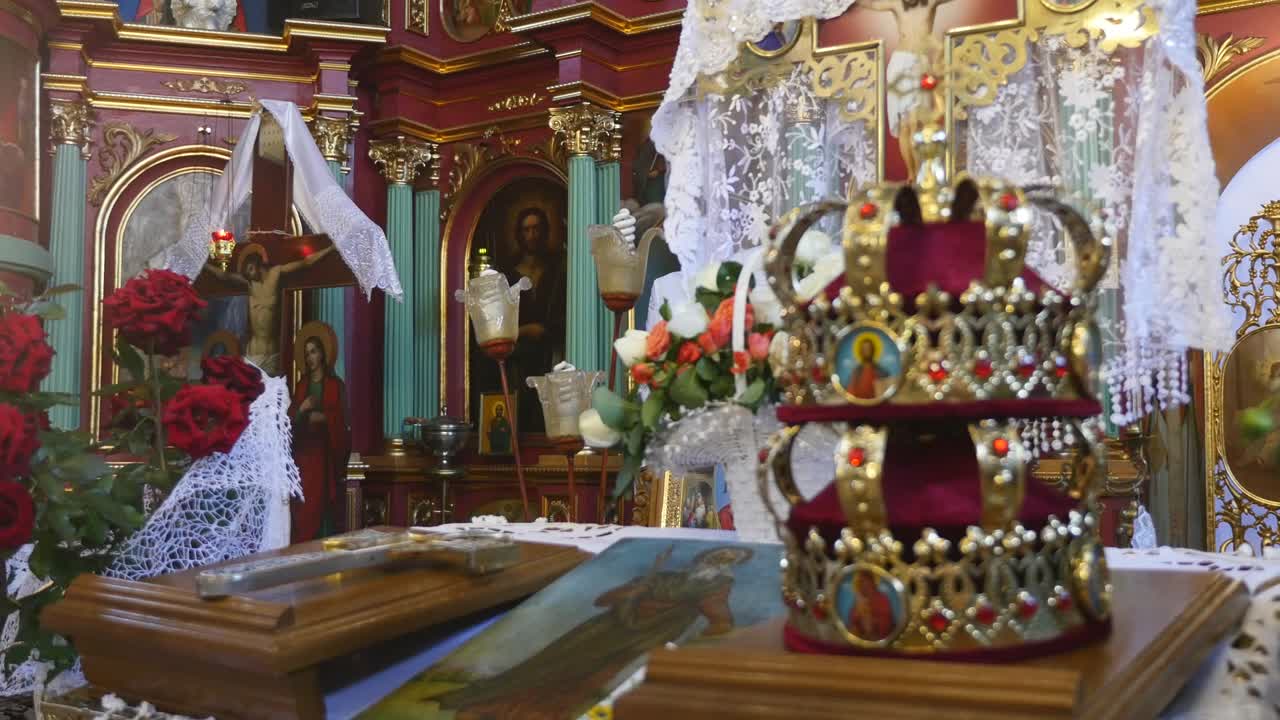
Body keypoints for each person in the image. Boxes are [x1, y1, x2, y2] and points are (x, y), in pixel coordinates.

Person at [411, 546, 755, 720]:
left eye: (729, 559)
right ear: (704, 557)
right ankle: (489, 701)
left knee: (588, 680)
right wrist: (636, 591)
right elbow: (604, 599)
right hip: (602, 630)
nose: (721, 561)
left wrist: (718, 635)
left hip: (637, 639)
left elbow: (718, 617)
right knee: (551, 663)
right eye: (718, 555)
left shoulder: (716, 587)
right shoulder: (663, 577)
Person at [205, 244, 334, 376]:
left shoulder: (276, 273)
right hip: (252, 352)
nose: (248, 274)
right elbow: (224, 276)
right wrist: (204, 264)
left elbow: (305, 263)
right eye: (246, 272)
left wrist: (330, 248)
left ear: (258, 264)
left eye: (250, 269)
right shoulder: (250, 282)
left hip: (271, 354)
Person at [503, 207, 566, 432]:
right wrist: (525, 330)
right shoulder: (509, 274)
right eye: (527, 230)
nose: (532, 235)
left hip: (551, 355)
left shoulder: (558, 270)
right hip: (518, 359)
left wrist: (547, 330)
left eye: (537, 229)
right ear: (519, 234)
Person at [860, 0, 957, 135]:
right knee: (904, 124)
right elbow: (871, 4)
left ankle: (920, 155)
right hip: (900, 62)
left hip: (920, 65)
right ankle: (909, 157)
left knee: (919, 122)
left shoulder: (930, 3)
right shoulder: (896, 4)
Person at [289, 332, 350, 543]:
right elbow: (291, 418)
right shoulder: (302, 385)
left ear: (323, 355)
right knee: (305, 505)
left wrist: (323, 417)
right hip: (303, 456)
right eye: (306, 354)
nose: (310, 358)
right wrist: (303, 410)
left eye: (313, 352)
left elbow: (341, 421)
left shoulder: (335, 385)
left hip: (324, 456)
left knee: (321, 503)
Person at [849, 571, 895, 641]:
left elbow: (886, 622)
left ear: (872, 583)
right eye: (861, 583)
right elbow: (853, 619)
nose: (864, 586)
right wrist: (858, 614)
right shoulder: (859, 599)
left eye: (866, 583)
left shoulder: (882, 599)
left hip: (879, 637)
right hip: (862, 637)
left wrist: (872, 620)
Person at [849, 335, 890, 400]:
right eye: (864, 349)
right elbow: (851, 391)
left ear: (873, 350)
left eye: (869, 349)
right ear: (861, 352)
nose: (867, 351)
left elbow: (886, 391)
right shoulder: (856, 371)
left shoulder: (881, 371)